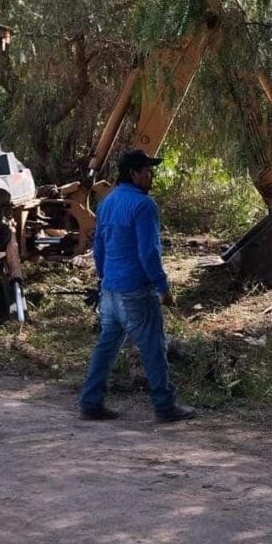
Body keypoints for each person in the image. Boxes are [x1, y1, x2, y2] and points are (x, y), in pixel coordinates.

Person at [78, 149, 196, 423]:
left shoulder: (107, 203)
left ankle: (90, 402)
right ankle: (165, 406)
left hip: (111, 291)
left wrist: (104, 279)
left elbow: (99, 247)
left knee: (106, 348)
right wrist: (163, 288)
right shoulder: (144, 205)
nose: (151, 176)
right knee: (153, 348)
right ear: (133, 174)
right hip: (136, 291)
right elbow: (148, 253)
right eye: (146, 171)